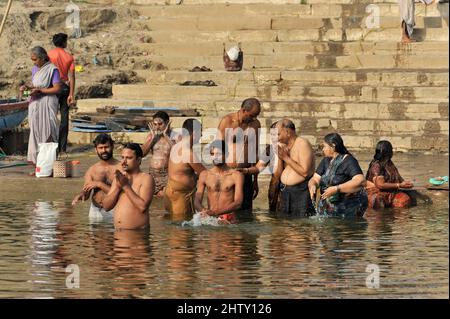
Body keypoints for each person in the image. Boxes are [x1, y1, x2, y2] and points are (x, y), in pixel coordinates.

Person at [308, 133, 368, 217]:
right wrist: (312, 185)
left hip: (348, 206)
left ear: (333, 146)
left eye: (324, 146)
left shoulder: (348, 160)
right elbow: (315, 178)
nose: (323, 150)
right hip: (329, 206)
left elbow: (361, 180)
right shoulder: (326, 160)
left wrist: (337, 188)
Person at [20, 46, 61, 168]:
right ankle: (38, 166)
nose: (34, 62)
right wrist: (26, 88)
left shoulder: (52, 69)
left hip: (47, 104)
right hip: (35, 105)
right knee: (35, 133)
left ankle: (48, 166)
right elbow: (35, 85)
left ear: (43, 58)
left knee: (48, 132)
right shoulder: (34, 69)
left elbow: (57, 88)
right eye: (32, 60)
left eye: (35, 59)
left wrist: (41, 91)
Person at [217, 98, 261, 211]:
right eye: (252, 115)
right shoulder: (227, 121)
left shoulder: (256, 124)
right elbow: (217, 149)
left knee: (246, 214)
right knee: (227, 213)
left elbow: (255, 152)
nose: (254, 118)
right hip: (228, 175)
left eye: (256, 116)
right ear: (243, 110)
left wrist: (255, 180)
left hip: (246, 174)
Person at [102, 143, 154, 230]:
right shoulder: (119, 178)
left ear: (138, 160)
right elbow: (106, 206)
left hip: (137, 236)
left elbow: (143, 207)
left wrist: (125, 186)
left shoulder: (146, 178)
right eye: (122, 157)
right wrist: (118, 188)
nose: (123, 162)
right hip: (118, 236)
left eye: (128, 158)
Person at [164, 119, 206, 221]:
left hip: (170, 192)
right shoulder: (188, 152)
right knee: (182, 231)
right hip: (181, 196)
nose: (201, 136)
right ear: (195, 133)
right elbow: (205, 174)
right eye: (200, 132)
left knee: (175, 227)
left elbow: (181, 171)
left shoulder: (176, 146)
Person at [195, 140, 244, 224]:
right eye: (212, 154)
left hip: (228, 220)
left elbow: (238, 203)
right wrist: (204, 211)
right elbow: (196, 201)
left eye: (218, 154)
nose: (215, 157)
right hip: (210, 219)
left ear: (227, 154)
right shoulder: (205, 174)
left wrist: (215, 213)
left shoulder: (236, 175)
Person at [72, 134, 119, 220]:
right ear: (96, 149)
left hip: (115, 209)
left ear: (112, 146)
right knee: (93, 233)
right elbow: (86, 193)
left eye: (106, 147)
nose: (104, 150)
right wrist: (81, 194)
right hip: (95, 210)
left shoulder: (120, 168)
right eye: (100, 148)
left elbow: (120, 194)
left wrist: (99, 184)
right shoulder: (92, 170)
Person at [238, 121, 282, 212]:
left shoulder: (293, 148)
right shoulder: (270, 149)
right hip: (274, 189)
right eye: (272, 135)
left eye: (277, 135)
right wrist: (245, 170)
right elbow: (259, 167)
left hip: (289, 189)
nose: (274, 138)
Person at [275, 119, 315, 217]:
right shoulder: (285, 146)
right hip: (285, 191)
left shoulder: (302, 143)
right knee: (286, 225)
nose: (276, 138)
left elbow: (305, 172)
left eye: (278, 134)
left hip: (300, 191)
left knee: (300, 225)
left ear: (287, 132)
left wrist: (285, 158)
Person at [365, 140, 414, 209]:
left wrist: (405, 183)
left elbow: (399, 178)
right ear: (388, 152)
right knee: (378, 201)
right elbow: (380, 185)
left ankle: (395, 218)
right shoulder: (376, 165)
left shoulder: (389, 163)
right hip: (376, 193)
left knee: (404, 201)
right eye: (391, 150)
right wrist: (399, 185)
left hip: (391, 192)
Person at [48, 33, 76, 153]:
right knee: (64, 119)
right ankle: (62, 148)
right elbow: (72, 76)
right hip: (64, 88)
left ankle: (51, 146)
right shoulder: (69, 57)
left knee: (51, 117)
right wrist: (71, 94)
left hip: (52, 88)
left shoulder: (48, 55)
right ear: (64, 42)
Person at [141, 111, 179, 197]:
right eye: (155, 124)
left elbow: (178, 154)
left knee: (167, 198)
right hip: (153, 174)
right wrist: (152, 139)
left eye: (160, 124)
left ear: (167, 123)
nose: (157, 127)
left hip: (167, 174)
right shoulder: (151, 136)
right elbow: (142, 154)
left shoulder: (175, 136)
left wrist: (166, 135)